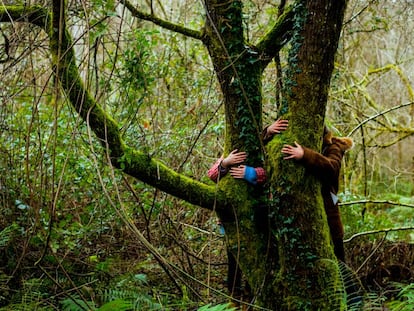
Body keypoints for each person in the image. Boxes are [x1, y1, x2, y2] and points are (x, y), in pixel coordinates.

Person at [208, 119, 288, 297]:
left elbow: (272, 174)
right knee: (234, 260)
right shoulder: (230, 153)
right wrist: (225, 164)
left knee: (259, 257)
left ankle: (252, 294)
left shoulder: (265, 153)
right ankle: (234, 296)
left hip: (259, 216)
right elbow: (212, 174)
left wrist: (250, 173)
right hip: (231, 219)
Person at [281, 126, 353, 261]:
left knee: (338, 255)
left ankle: (346, 282)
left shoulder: (333, 147)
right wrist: (267, 131)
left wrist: (305, 155)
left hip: (328, 206)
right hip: (304, 210)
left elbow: (332, 167)